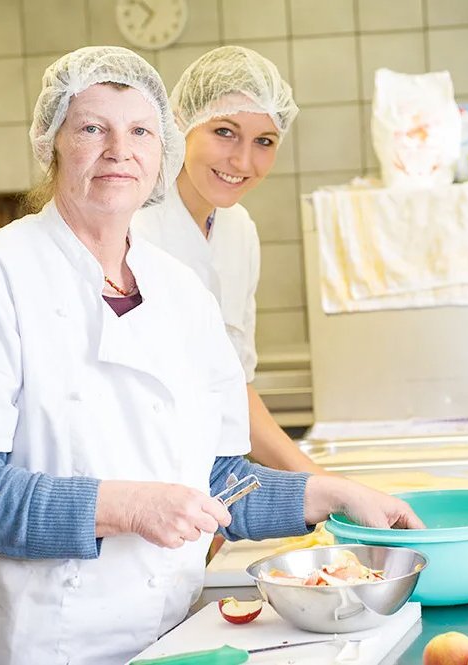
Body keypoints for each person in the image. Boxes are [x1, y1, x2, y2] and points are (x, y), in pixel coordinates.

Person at [0, 46, 424, 665]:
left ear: (161, 148)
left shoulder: (180, 292)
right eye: (92, 128)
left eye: (140, 130)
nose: (120, 150)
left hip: (164, 636)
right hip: (24, 640)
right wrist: (129, 506)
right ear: (53, 142)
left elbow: (219, 481)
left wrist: (326, 495)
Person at [132, 46, 321, 474]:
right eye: (224, 132)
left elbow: (233, 384)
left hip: (204, 485)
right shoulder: (132, 229)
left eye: (264, 142)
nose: (243, 161)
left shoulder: (239, 231)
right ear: (181, 124)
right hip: (135, 483)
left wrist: (318, 482)